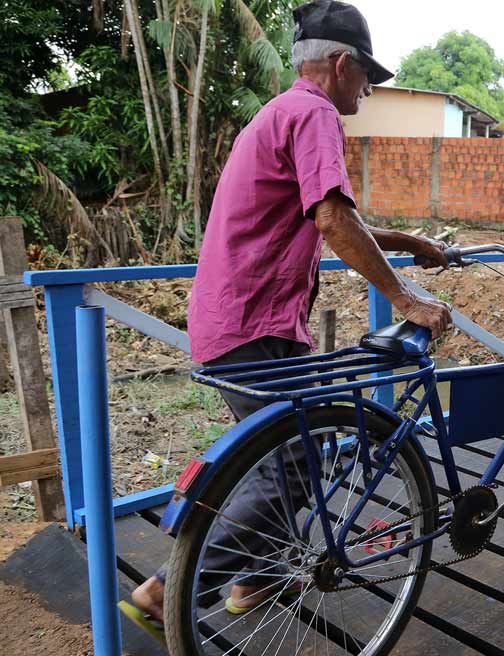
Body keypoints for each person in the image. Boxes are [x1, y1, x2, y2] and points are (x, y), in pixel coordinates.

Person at [119, 0, 452, 640]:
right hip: (253, 325)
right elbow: (331, 219)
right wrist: (408, 299)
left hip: (241, 319)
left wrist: (405, 242)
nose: (368, 90)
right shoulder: (315, 113)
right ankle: (169, 591)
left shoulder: (278, 112)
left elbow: (324, 215)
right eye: (367, 78)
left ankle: (254, 576)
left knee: (294, 452)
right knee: (294, 461)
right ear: (340, 64)